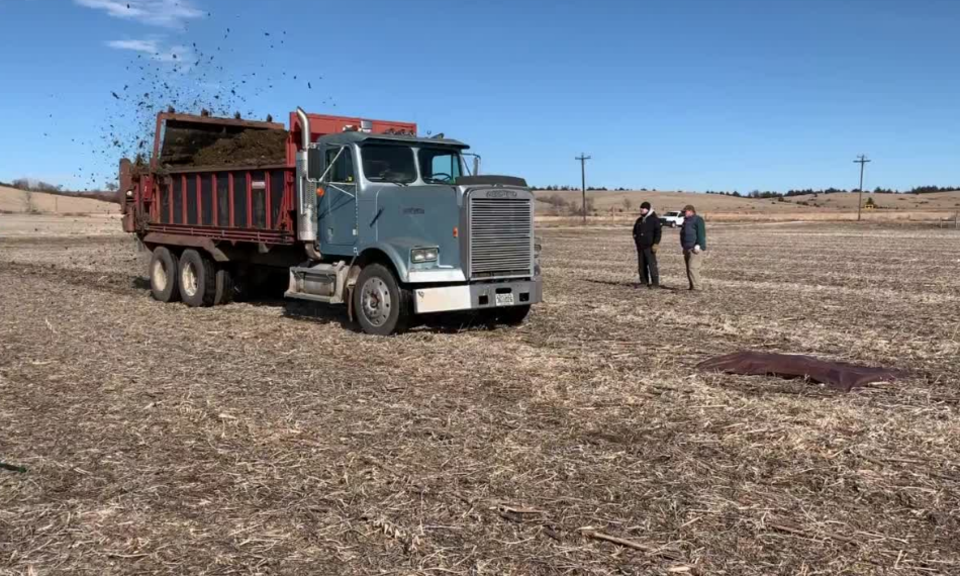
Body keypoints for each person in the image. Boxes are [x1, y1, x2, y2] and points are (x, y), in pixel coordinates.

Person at [632, 201, 662, 288]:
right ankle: (643, 282)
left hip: (650, 246)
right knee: (641, 265)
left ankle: (655, 283)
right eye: (640, 208)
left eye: (643, 208)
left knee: (651, 265)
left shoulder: (654, 220)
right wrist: (635, 238)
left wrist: (656, 243)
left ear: (648, 209)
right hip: (640, 246)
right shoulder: (639, 220)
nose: (641, 210)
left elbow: (658, 232)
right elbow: (634, 231)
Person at [680, 205, 707, 290]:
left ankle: (697, 287)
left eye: (685, 211)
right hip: (686, 248)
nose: (684, 213)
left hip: (695, 248)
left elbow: (701, 233)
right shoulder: (685, 221)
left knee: (693, 267)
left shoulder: (698, 220)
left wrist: (699, 244)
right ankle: (692, 286)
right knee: (689, 268)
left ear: (691, 211)